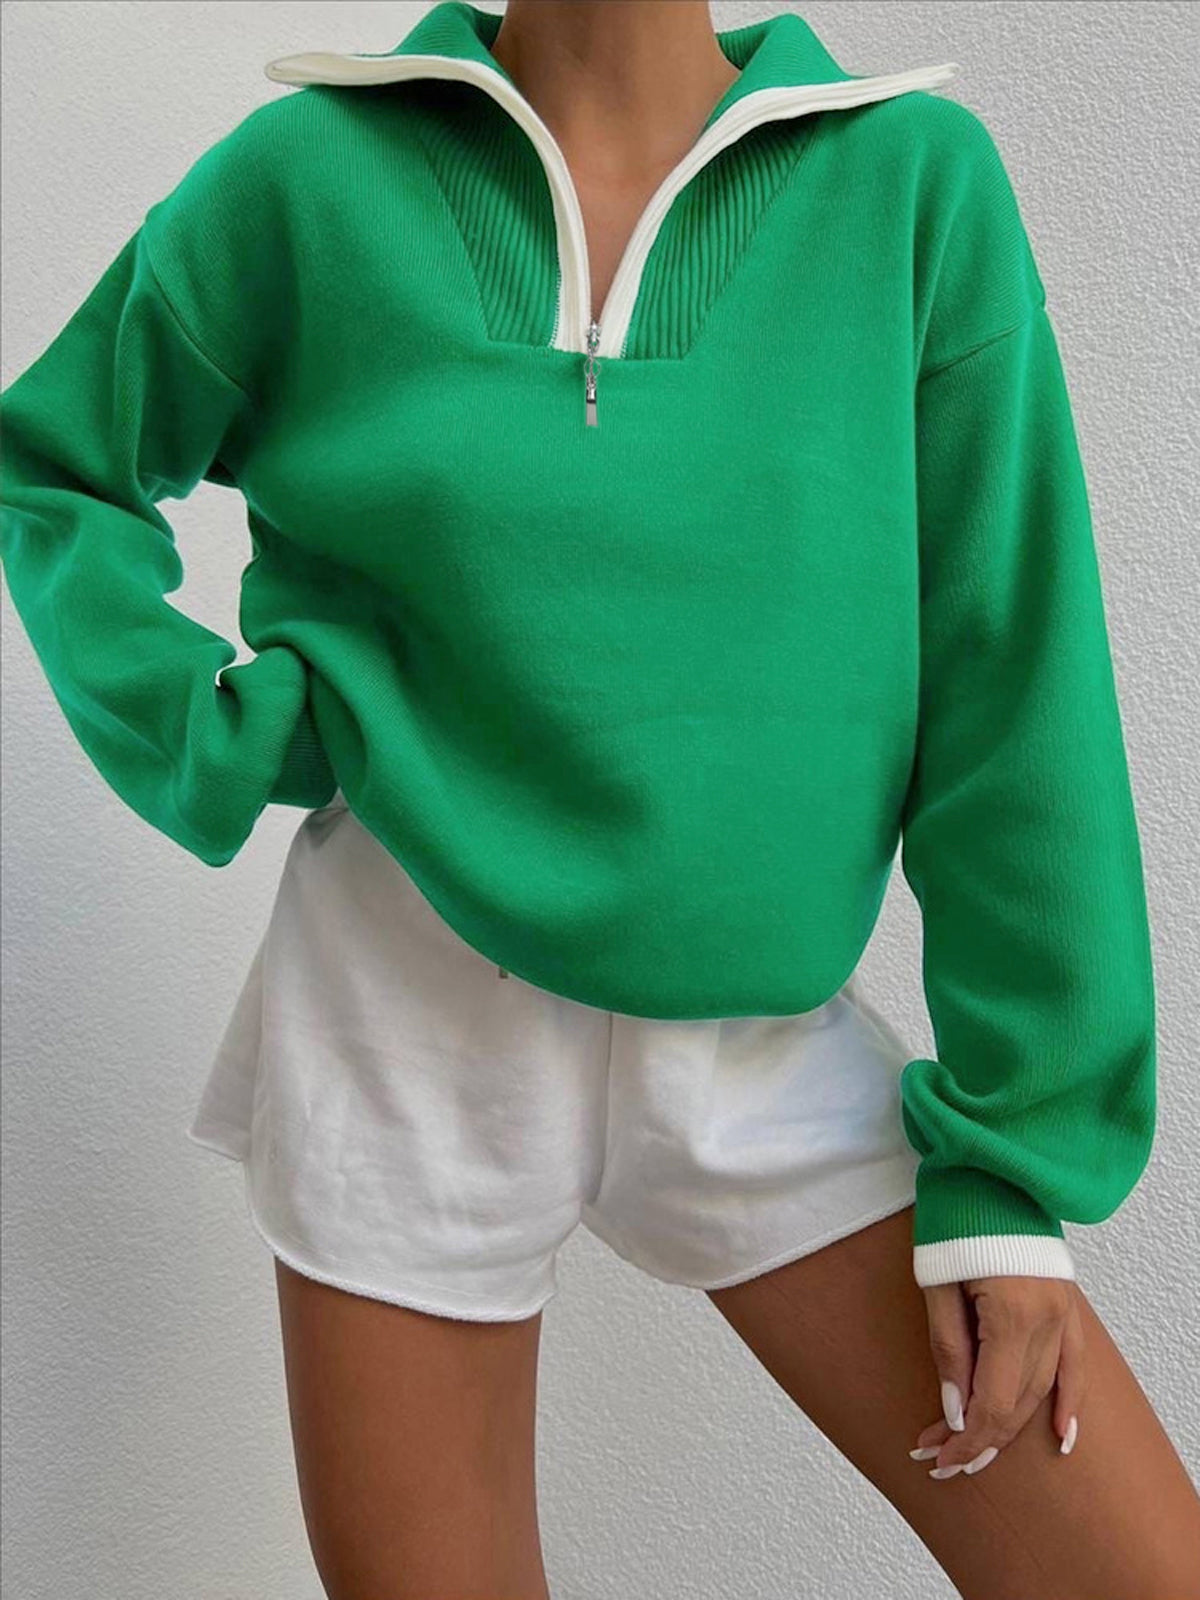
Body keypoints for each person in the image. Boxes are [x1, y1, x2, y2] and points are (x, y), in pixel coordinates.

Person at [1, 1, 1196, 1595]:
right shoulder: (308, 176)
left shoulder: (911, 182)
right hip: (400, 1014)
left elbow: (1012, 675)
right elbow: (49, 462)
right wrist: (212, 729)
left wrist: (1016, 1169)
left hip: (764, 1040)